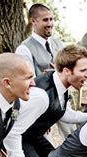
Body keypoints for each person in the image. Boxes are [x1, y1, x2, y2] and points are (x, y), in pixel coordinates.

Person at [15, 3, 74, 139]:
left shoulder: (59, 44)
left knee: (72, 137)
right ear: (33, 21)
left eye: (51, 19)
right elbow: (30, 82)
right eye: (45, 20)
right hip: (42, 105)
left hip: (63, 100)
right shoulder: (24, 49)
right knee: (45, 142)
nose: (50, 23)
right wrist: (41, 112)